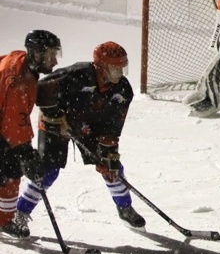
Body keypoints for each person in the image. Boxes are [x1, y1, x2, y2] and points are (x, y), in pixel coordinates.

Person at [14, 42, 146, 233]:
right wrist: (54, 115)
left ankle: (125, 208)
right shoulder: (78, 74)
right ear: (100, 66)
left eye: (122, 66)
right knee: (47, 171)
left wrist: (108, 152)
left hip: (87, 128)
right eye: (114, 67)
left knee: (111, 168)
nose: (119, 72)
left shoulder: (123, 91)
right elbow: (42, 87)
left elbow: (112, 127)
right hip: (56, 125)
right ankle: (20, 213)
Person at [0, 30, 62, 238]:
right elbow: (13, 124)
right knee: (9, 166)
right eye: (50, 54)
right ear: (36, 53)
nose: (54, 60)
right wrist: (26, 152)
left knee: (11, 169)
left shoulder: (23, 63)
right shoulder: (17, 80)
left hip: (4, 124)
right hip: (4, 125)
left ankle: (4, 220)